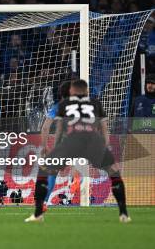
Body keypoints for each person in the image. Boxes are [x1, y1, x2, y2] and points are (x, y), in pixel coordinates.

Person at [25, 79, 130, 223]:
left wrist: (54, 150)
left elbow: (54, 128)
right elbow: (104, 127)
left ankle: (38, 213)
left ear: (71, 92)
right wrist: (105, 145)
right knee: (114, 172)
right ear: (86, 91)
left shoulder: (62, 105)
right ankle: (123, 213)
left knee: (45, 170)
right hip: (94, 142)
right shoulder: (95, 103)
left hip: (71, 142)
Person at [40, 81, 71, 205]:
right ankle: (84, 196)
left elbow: (45, 128)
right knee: (81, 170)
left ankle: (45, 202)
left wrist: (45, 146)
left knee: (52, 172)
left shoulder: (57, 107)